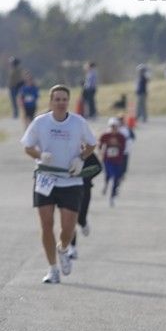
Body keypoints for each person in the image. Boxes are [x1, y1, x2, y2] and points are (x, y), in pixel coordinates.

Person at [20, 84, 97, 284]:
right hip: (45, 178)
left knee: (68, 227)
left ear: (68, 102)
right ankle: (52, 269)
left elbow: (91, 144)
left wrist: (80, 158)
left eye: (64, 99)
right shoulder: (40, 122)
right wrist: (40, 155)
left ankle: (63, 249)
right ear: (51, 102)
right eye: (57, 99)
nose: (61, 103)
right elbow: (28, 147)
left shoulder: (78, 122)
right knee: (46, 224)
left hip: (71, 180)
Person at [99, 117, 126, 205]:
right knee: (109, 175)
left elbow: (123, 148)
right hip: (108, 160)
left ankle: (112, 195)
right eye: (112, 127)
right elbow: (100, 144)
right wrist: (101, 153)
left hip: (117, 160)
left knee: (116, 178)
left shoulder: (121, 137)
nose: (114, 129)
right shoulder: (105, 135)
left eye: (115, 127)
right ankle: (106, 185)